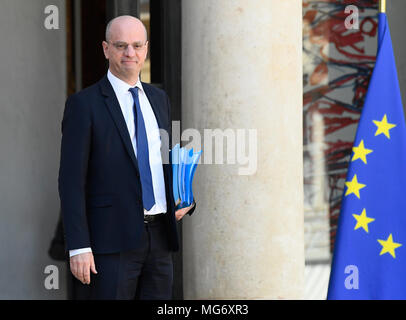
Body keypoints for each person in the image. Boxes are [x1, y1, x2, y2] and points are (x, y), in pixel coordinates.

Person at [58, 15, 195, 300]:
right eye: (121, 45)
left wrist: (182, 198)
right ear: (106, 49)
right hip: (110, 241)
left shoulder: (159, 99)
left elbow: (159, 160)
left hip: (160, 238)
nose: (129, 53)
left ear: (146, 49)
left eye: (136, 45)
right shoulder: (84, 105)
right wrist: (79, 246)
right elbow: (71, 181)